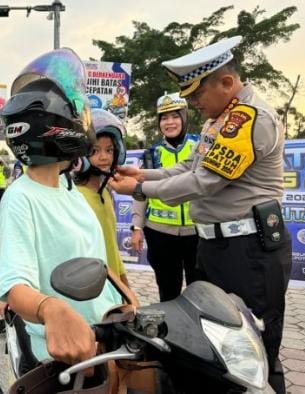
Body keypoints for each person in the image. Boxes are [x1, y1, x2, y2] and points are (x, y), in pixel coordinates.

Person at [109, 36, 292, 393]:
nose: (192, 103)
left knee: (253, 353)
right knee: (212, 343)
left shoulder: (249, 119)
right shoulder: (220, 119)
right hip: (216, 249)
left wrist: (141, 189)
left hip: (248, 251)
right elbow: (188, 167)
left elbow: (204, 182)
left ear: (226, 83)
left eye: (195, 95)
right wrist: (143, 174)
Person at [0, 48, 126, 372]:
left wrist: (126, 300)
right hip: (64, 355)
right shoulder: (21, 197)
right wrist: (52, 310)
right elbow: (15, 287)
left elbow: (96, 262)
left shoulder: (71, 190)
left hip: (106, 340)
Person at [130, 93, 200, 301]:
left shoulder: (200, 146)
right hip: (160, 233)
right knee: (168, 291)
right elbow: (140, 191)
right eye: (164, 118)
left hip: (197, 232)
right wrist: (137, 227)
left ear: (185, 117)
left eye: (175, 116)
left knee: (201, 292)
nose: (169, 123)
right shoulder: (152, 154)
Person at [73, 108, 130, 286]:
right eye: (95, 151)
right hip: (93, 286)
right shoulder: (76, 198)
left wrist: (124, 283)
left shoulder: (106, 192)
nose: (104, 157)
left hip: (114, 284)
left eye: (109, 150)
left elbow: (112, 245)